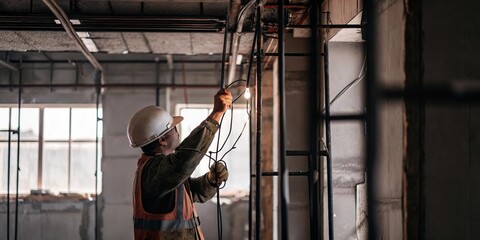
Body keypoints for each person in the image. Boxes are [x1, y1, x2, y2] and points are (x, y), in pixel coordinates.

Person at [127, 89, 232, 240]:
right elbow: (184, 160)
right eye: (173, 129)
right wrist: (216, 114)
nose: (177, 133)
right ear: (162, 140)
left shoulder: (160, 170)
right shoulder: (154, 171)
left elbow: (191, 193)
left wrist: (210, 180)